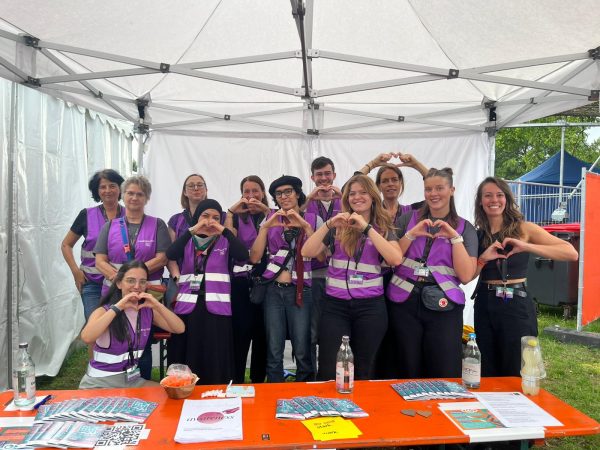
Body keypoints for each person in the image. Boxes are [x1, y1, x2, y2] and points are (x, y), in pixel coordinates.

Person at [473, 177, 578, 377]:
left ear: (507, 199)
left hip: (515, 303)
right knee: (487, 367)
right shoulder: (477, 234)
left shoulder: (523, 228)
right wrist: (482, 259)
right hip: (484, 302)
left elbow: (570, 253)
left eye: (499, 195)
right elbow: (468, 275)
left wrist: (526, 246)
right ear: (480, 201)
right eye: (487, 195)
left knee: (517, 366)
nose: (494, 200)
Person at [302, 174, 403, 380]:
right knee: (331, 365)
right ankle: (330, 408)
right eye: (352, 194)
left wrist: (367, 228)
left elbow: (395, 258)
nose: (357, 197)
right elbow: (307, 251)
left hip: (370, 307)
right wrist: (329, 224)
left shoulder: (383, 227)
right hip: (335, 306)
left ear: (373, 196)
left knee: (364, 367)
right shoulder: (338, 226)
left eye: (363, 193)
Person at [387, 168, 478, 378]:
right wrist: (410, 235)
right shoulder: (406, 220)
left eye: (439, 188)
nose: (433, 193)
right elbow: (390, 258)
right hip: (404, 303)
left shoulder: (465, 228)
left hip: (443, 307)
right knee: (406, 365)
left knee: (443, 367)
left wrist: (455, 238)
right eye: (428, 189)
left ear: (452, 190)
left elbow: (465, 276)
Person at [94, 175, 170, 380]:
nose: (134, 198)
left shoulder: (157, 225)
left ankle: (141, 382)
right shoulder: (109, 226)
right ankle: (110, 378)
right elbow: (100, 260)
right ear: (123, 195)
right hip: (114, 292)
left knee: (141, 338)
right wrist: (120, 279)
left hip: (145, 291)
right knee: (113, 333)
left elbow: (162, 258)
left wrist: (137, 276)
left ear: (146, 198)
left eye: (140, 194)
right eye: (130, 193)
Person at [166, 199, 248, 384]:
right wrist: (192, 230)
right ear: (196, 218)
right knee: (188, 350)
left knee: (214, 353)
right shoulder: (187, 240)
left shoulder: (225, 241)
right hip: (188, 307)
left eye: (216, 217)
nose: (210, 221)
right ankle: (183, 386)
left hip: (216, 308)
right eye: (205, 216)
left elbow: (244, 256)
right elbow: (171, 254)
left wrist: (224, 230)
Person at [249, 175, 321, 382]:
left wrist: (306, 227)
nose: (284, 197)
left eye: (288, 191)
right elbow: (255, 256)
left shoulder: (314, 219)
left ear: (298, 193)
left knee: (303, 347)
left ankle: (305, 392)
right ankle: (274, 393)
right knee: (274, 349)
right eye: (278, 194)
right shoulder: (270, 219)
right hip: (273, 290)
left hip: (301, 290)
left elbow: (323, 256)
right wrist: (265, 227)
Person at [79, 260, 184, 389]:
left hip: (132, 381)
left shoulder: (147, 311)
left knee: (169, 397)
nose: (137, 286)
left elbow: (179, 328)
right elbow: (87, 337)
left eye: (142, 282)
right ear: (118, 283)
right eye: (130, 281)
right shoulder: (105, 311)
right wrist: (118, 307)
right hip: (100, 383)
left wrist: (157, 304)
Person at [61, 169, 125, 322]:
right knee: (95, 328)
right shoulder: (86, 215)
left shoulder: (131, 215)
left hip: (122, 283)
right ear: (97, 191)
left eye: (112, 185)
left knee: (120, 329)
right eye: (102, 187)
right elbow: (66, 245)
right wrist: (76, 271)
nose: (107, 190)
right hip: (93, 284)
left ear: (121, 188)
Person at [224, 175, 271, 383]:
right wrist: (231, 212)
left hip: (266, 281)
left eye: (255, 191)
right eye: (246, 191)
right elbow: (228, 238)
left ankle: (259, 380)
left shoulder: (271, 215)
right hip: (241, 283)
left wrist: (267, 212)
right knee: (240, 334)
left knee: (263, 335)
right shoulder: (235, 217)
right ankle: (236, 380)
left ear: (262, 193)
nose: (251, 196)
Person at [302, 156, 343, 374]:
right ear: (312, 177)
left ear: (334, 175)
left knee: (334, 328)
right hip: (313, 276)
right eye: (319, 175)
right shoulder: (307, 204)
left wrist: (343, 196)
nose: (324, 179)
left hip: (340, 276)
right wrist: (309, 199)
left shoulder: (344, 200)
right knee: (311, 330)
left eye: (328, 174)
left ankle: (334, 372)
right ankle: (311, 375)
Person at [359, 152, 428, 223]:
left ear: (400, 183)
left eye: (394, 180)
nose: (390, 184)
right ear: (379, 186)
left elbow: (437, 187)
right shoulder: (371, 212)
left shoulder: (412, 211)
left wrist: (416, 164)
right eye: (385, 181)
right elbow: (349, 187)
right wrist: (373, 164)